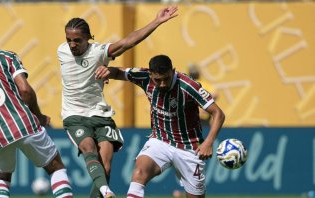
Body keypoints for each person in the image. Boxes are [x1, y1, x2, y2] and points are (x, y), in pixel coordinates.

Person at [56, 6, 178, 198]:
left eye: (77, 40)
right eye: (69, 40)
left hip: (100, 114)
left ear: (88, 38)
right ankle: (105, 190)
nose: (72, 44)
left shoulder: (98, 52)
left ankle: (102, 190)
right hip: (74, 115)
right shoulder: (62, 51)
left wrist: (156, 21)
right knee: (88, 147)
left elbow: (128, 42)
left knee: (106, 165)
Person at [0, 20, 73, 198]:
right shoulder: (7, 57)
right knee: (55, 167)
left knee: (2, 178)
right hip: (25, 125)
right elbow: (24, 89)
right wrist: (38, 115)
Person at [95, 54, 226, 198]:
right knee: (139, 172)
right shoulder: (144, 76)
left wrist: (208, 142)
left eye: (166, 79)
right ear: (150, 74)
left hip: (190, 148)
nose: (162, 84)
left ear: (173, 71)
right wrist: (106, 71)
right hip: (160, 140)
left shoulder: (189, 86)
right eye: (158, 80)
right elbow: (121, 72)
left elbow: (218, 113)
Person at [188, 63, 219, 128]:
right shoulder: (205, 85)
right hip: (203, 117)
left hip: (191, 118)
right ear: (198, 73)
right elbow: (215, 94)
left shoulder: (188, 84)